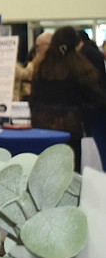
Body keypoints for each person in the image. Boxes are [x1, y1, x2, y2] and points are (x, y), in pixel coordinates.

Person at [28, 26, 106, 170]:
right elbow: (98, 98)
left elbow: (33, 98)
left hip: (42, 129)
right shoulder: (82, 68)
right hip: (70, 131)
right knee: (71, 172)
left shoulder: (42, 67)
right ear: (76, 44)